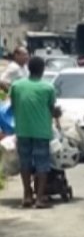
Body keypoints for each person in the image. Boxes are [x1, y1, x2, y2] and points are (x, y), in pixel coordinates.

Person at [9, 56, 60, 209]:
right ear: (42, 70)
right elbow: (52, 109)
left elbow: (13, 105)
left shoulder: (17, 86)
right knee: (42, 164)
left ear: (29, 69)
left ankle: (27, 195)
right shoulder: (48, 88)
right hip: (41, 132)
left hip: (23, 130)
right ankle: (39, 198)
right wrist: (57, 113)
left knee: (24, 163)